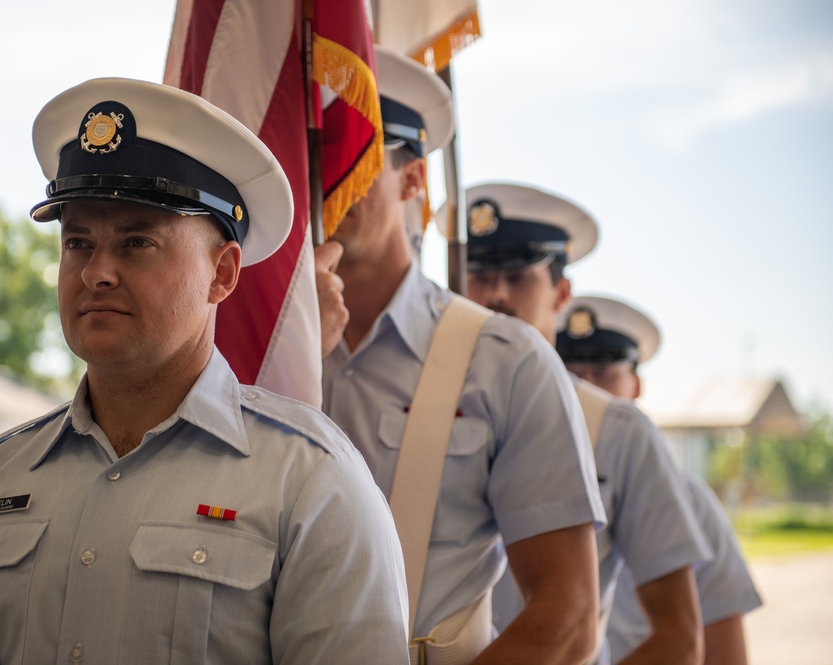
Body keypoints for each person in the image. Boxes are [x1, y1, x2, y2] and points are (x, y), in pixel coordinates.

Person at [0, 77, 411, 665]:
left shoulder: (311, 482)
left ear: (223, 273)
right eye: (77, 243)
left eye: (137, 242)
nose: (96, 273)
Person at [315, 46, 607, 664]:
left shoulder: (506, 361)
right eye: (312, 156)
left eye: (353, 155)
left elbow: (569, 617)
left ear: (414, 178)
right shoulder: (246, 351)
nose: (327, 178)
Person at [462, 182, 714, 664]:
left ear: (561, 292)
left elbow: (679, 638)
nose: (495, 293)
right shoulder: (415, 397)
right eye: (480, 274)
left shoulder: (617, 429)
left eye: (517, 276)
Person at [557, 295, 764, 665]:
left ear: (636, 386)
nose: (586, 393)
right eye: (570, 375)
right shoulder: (519, 486)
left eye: (603, 374)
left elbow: (724, 650)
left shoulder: (691, 504)